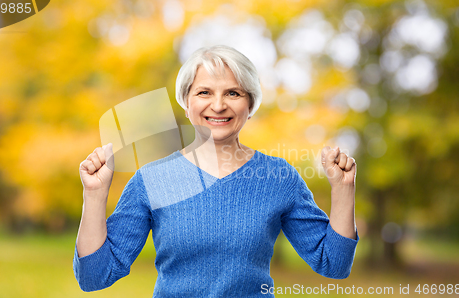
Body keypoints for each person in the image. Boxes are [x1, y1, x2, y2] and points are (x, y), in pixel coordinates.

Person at [74, 45, 359, 297]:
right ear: (187, 103)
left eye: (233, 93)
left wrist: (344, 189)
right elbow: (94, 277)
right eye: (204, 92)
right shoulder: (151, 181)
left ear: (250, 105)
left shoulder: (279, 177)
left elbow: (333, 264)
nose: (219, 105)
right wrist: (95, 196)